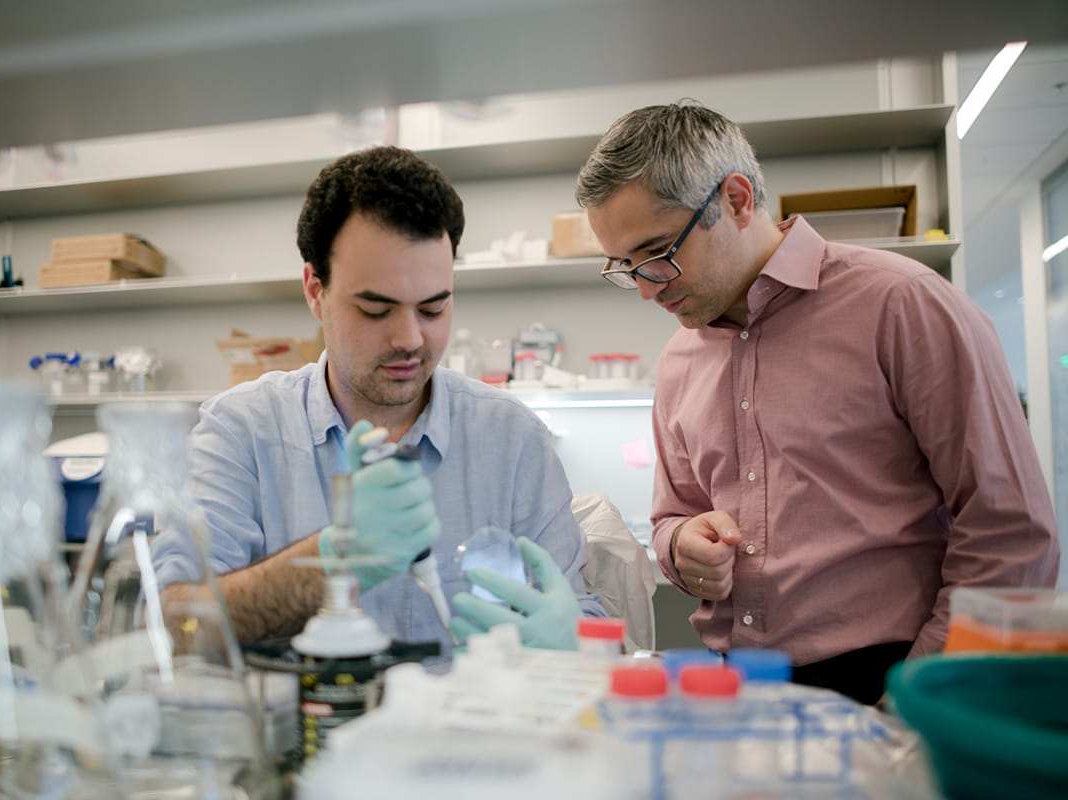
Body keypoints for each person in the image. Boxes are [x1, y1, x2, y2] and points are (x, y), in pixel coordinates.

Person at [574, 102, 1059, 704]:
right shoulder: (679, 360)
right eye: (626, 267)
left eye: (658, 252)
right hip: (738, 688)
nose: (646, 288)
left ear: (736, 199)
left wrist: (921, 697)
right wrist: (681, 547)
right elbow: (674, 517)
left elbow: (1010, 534)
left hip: (897, 679)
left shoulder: (903, 306)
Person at [153, 145, 602, 654]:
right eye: (375, 309)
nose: (409, 338)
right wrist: (335, 560)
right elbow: (174, 624)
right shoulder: (241, 431)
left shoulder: (512, 438)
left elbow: (583, 616)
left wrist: (574, 640)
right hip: (305, 732)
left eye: (433, 308)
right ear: (314, 290)